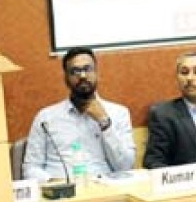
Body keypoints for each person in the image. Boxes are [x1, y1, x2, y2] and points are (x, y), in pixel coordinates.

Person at [23, 47, 135, 181]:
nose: (82, 76)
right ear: (66, 78)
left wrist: (105, 123)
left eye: (87, 69)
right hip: (61, 189)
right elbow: (31, 168)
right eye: (75, 71)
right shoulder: (45, 118)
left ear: (97, 73)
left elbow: (125, 167)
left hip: (104, 187)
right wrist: (54, 183)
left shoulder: (118, 113)